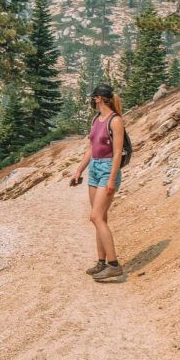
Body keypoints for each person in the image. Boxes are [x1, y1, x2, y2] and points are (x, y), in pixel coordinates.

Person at [69, 83, 126, 281]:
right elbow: (91, 148)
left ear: (99, 98)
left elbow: (118, 153)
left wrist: (111, 179)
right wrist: (79, 170)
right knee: (101, 217)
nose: (92, 101)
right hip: (94, 168)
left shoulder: (115, 121)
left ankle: (114, 265)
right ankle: (101, 262)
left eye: (93, 98)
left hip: (108, 169)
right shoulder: (96, 119)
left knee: (95, 217)